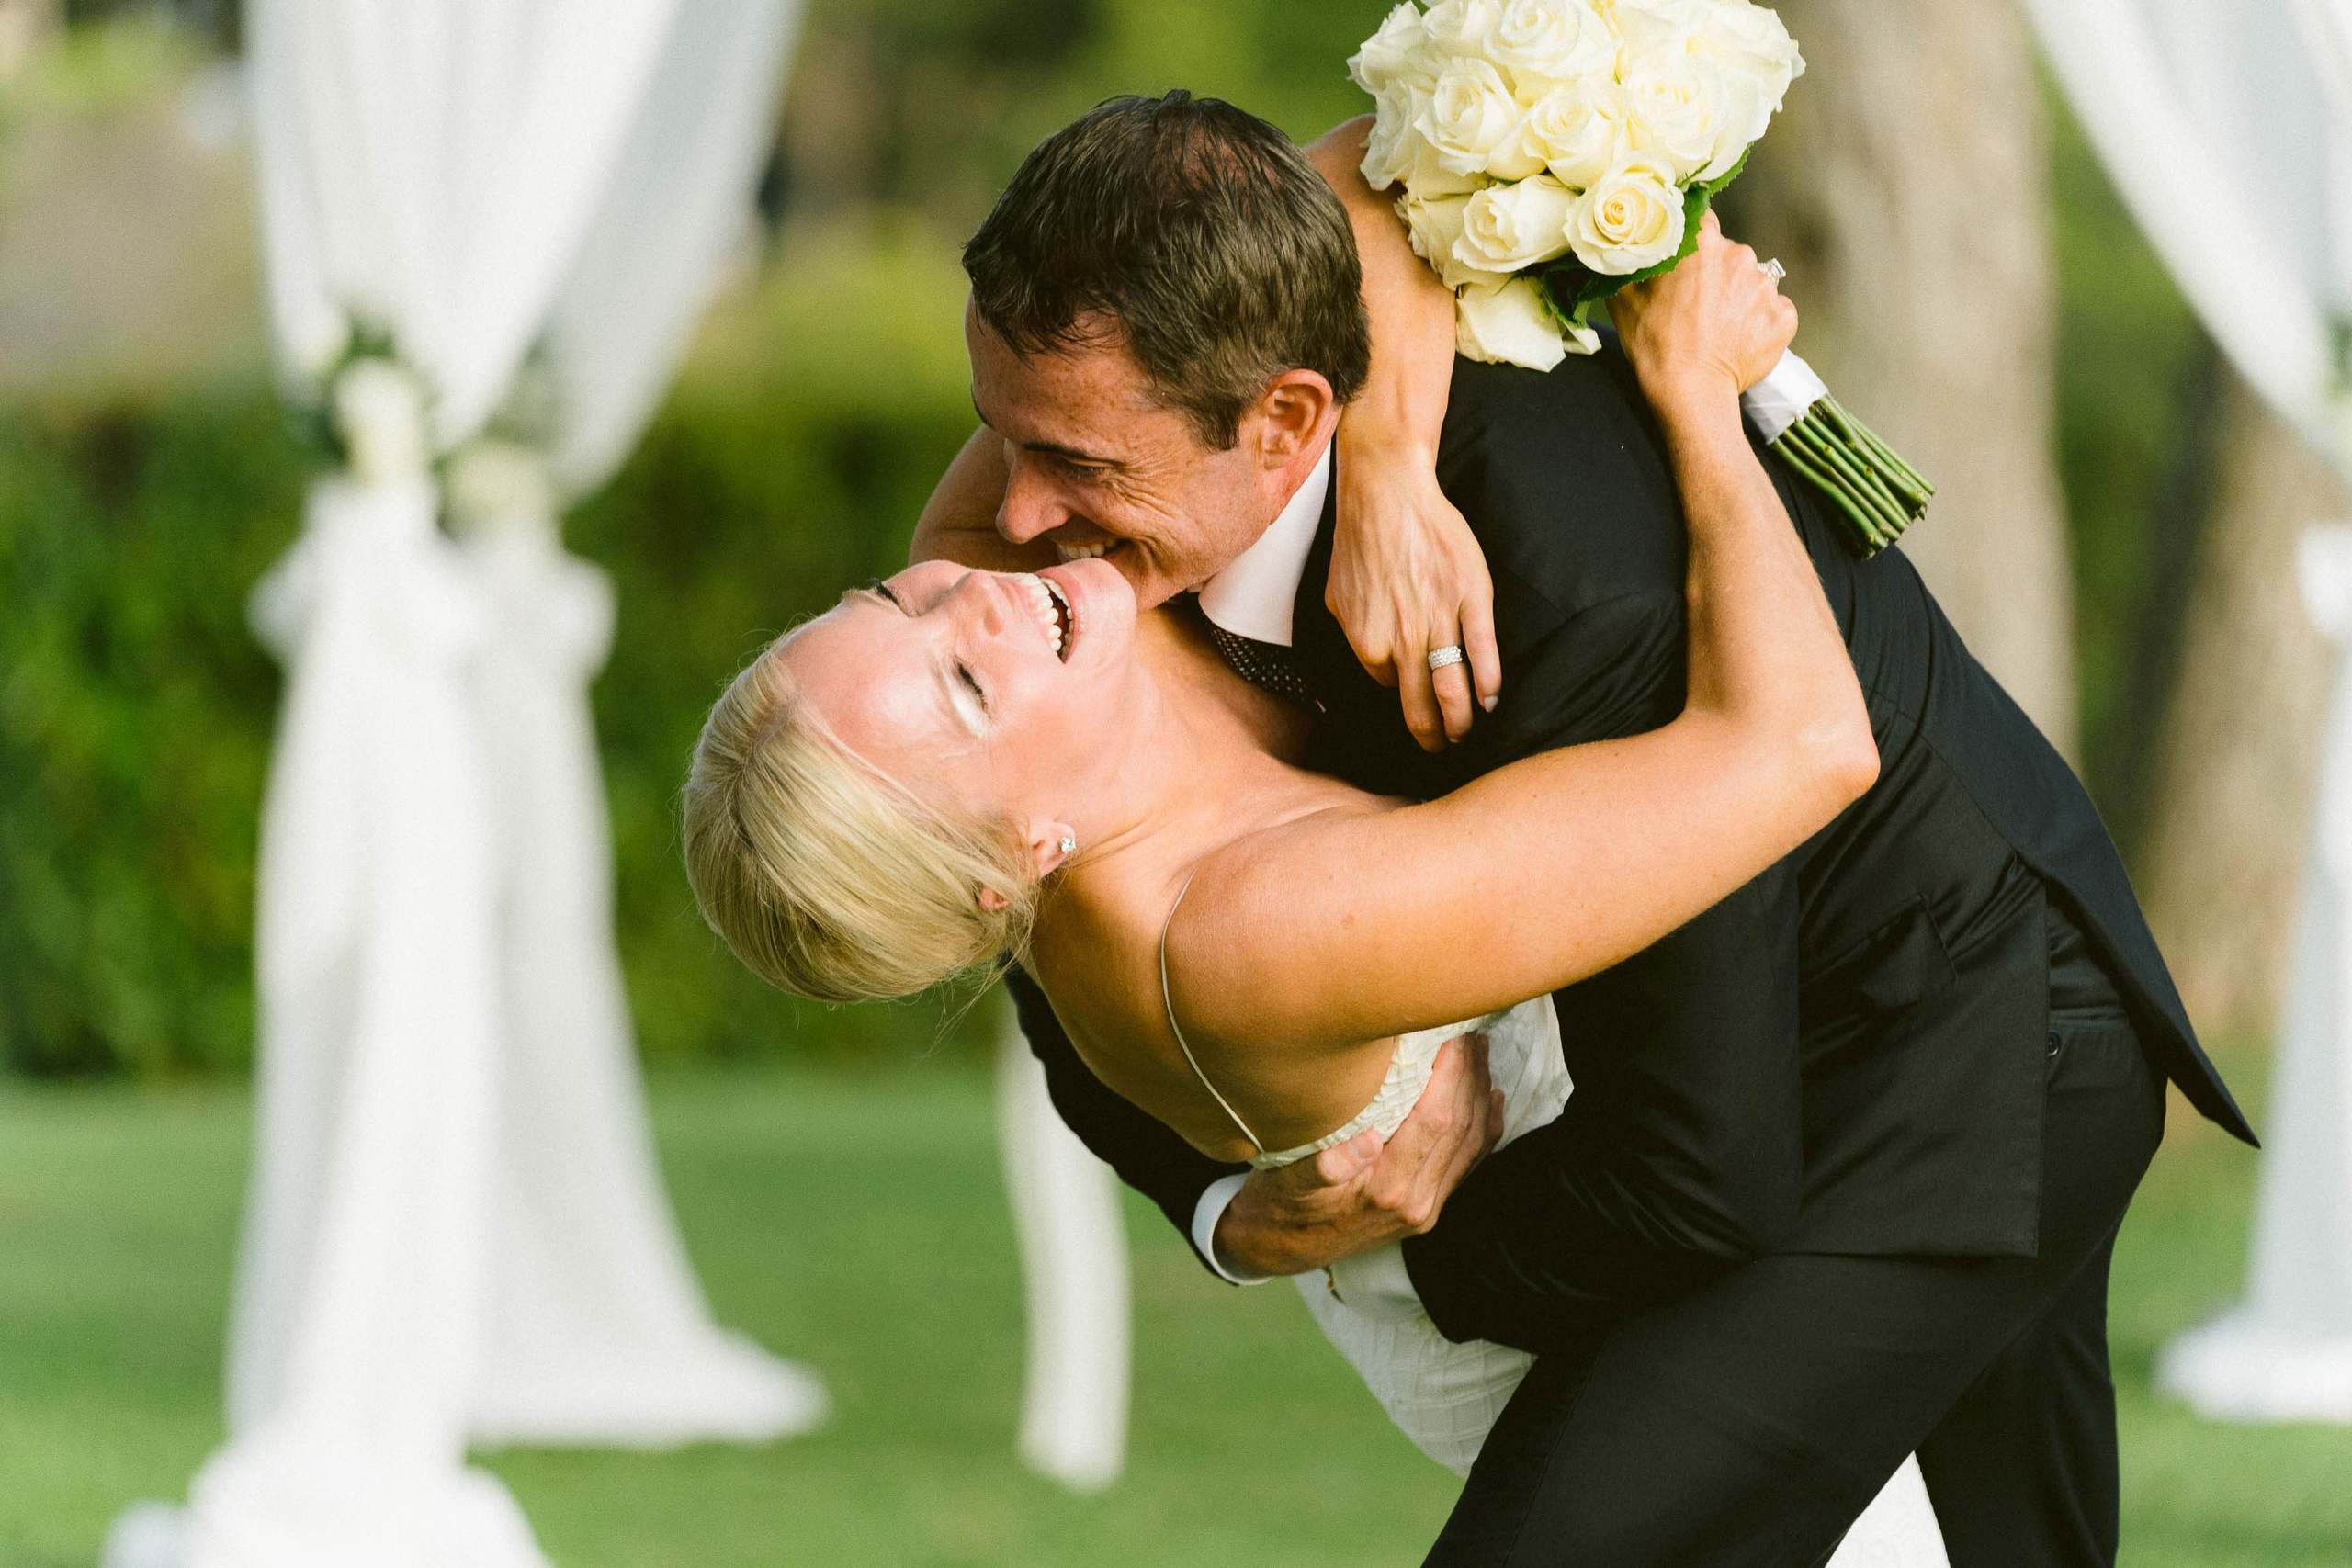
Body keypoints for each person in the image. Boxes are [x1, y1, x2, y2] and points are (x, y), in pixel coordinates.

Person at [705, 94, 2252, 1566]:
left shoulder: (1568, 594)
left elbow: (1701, 1168)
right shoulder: (1044, 576)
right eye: (1004, 434)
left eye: (1084, 466)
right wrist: (1235, 1210)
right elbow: (1033, 944)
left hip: (1951, 1038)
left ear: (1284, 418)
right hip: (1737, 1077)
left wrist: (1406, 1255)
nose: (1008, 523)